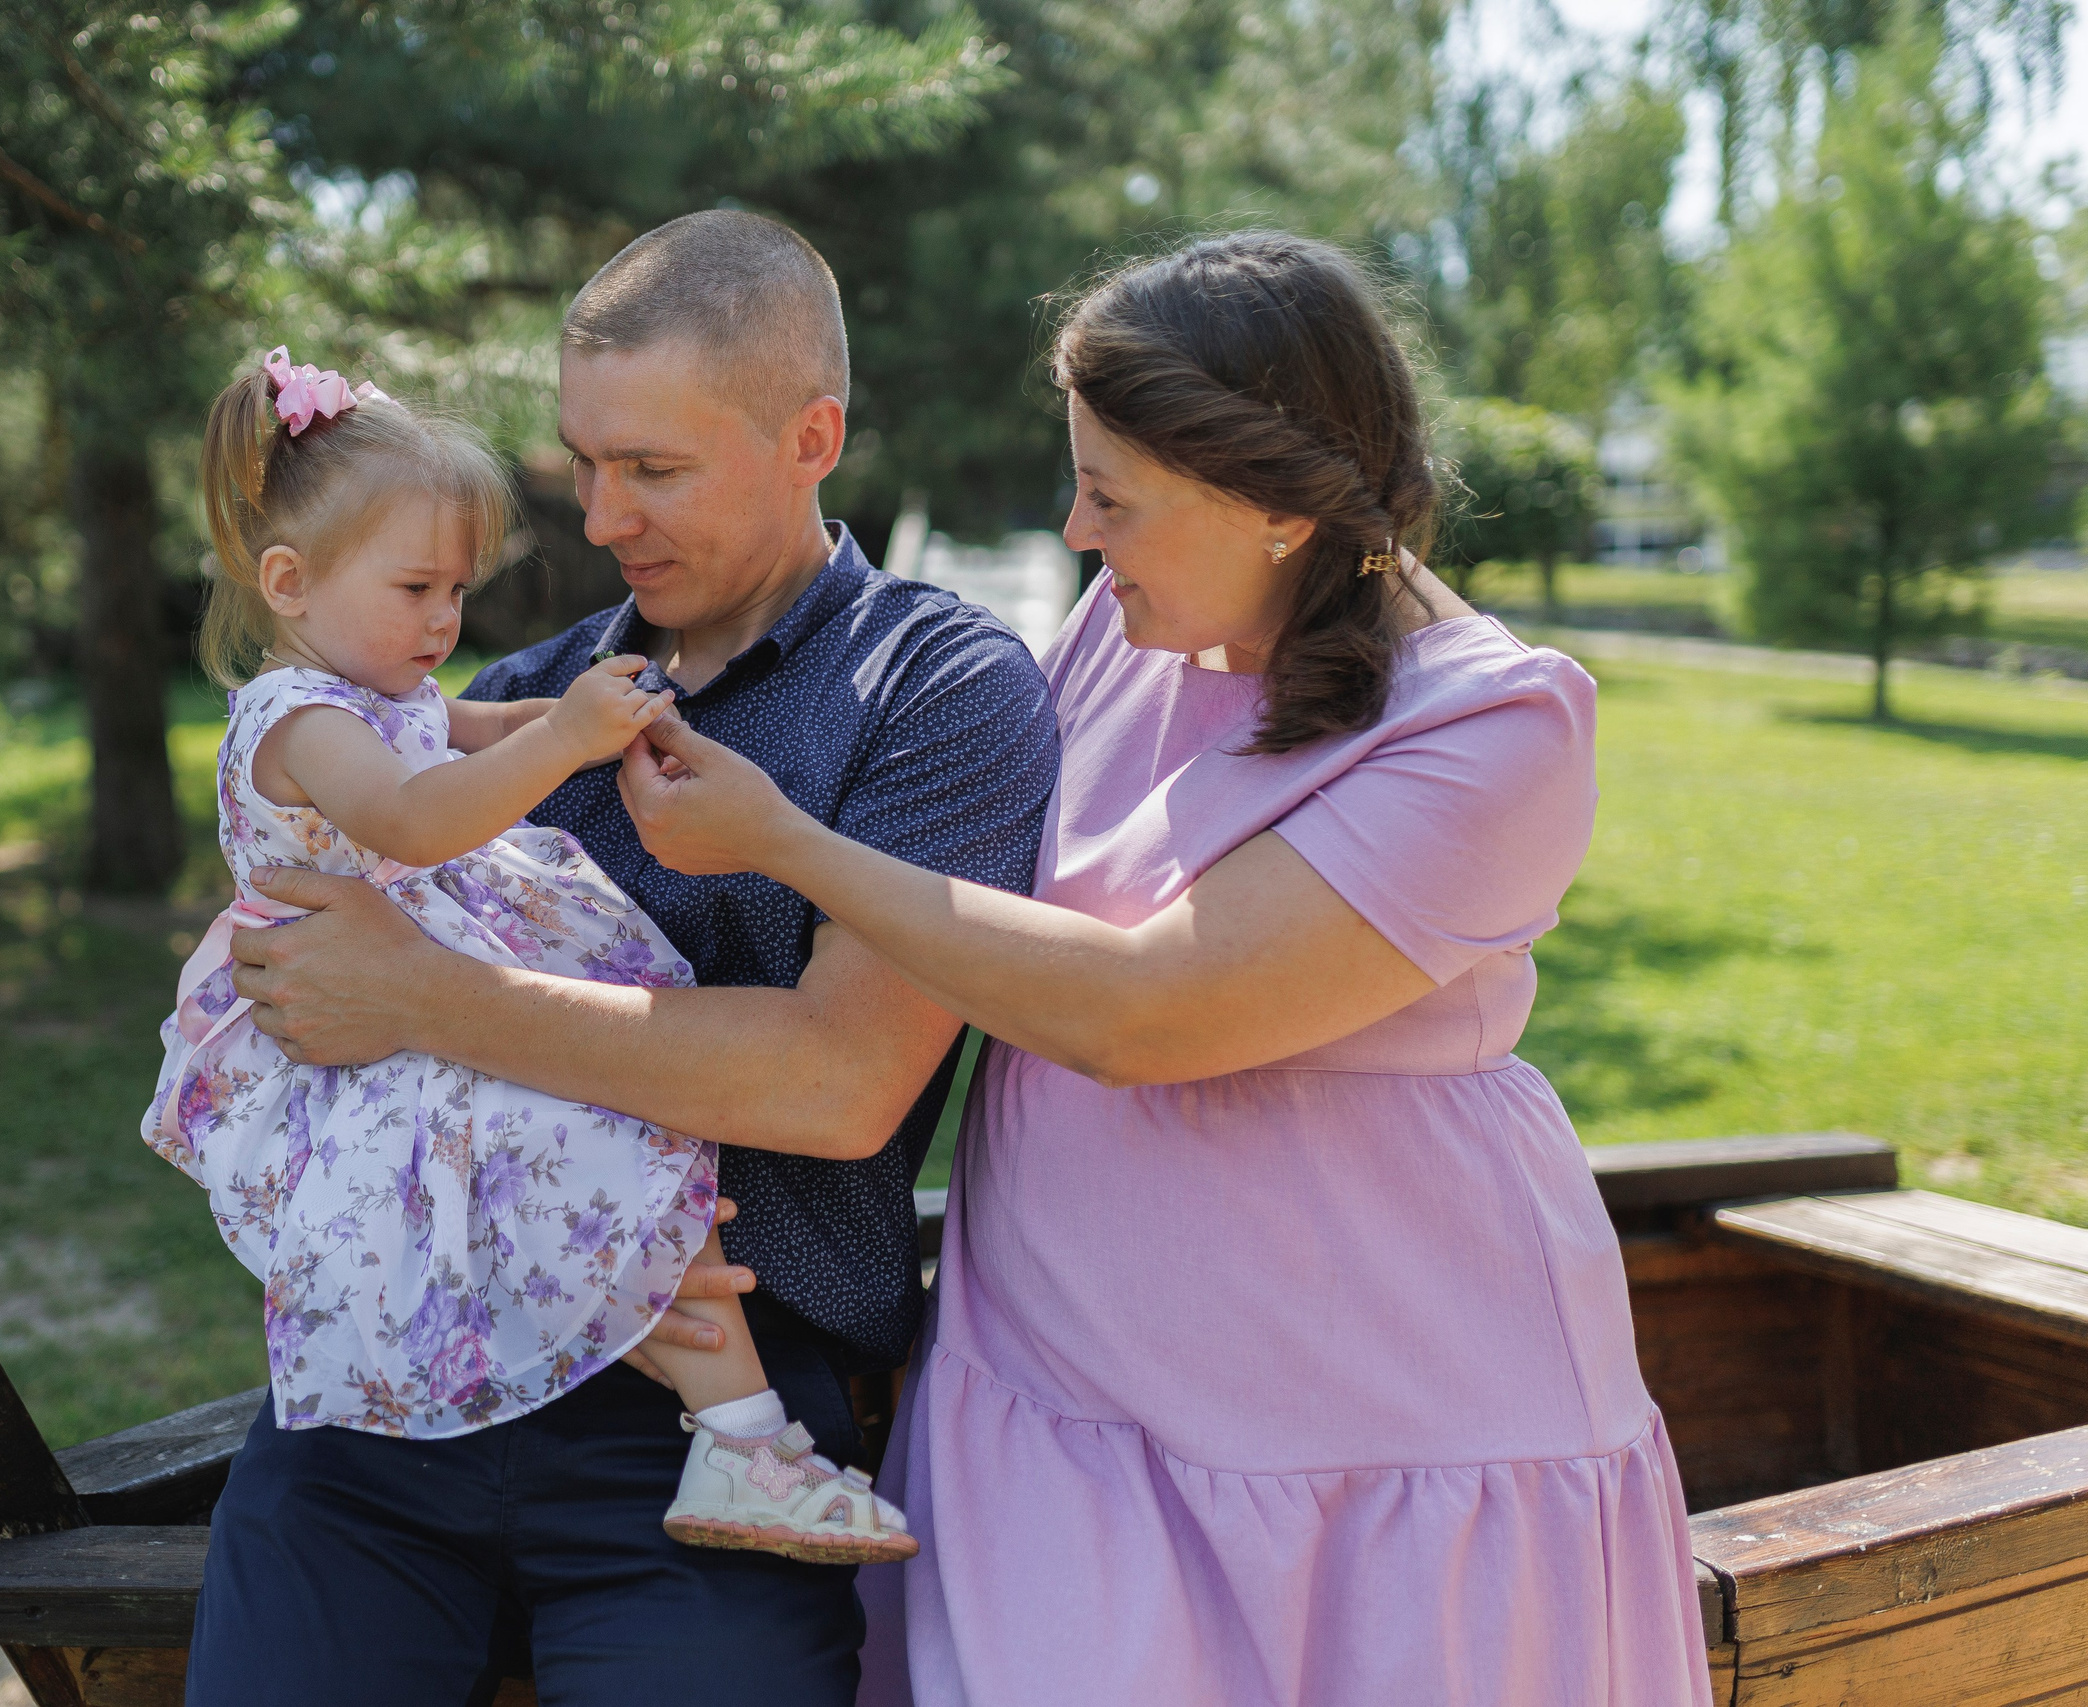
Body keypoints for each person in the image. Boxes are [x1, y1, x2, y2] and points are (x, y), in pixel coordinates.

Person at [614, 231, 1714, 1705]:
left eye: (1112, 496)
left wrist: (791, 839)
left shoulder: (1496, 732)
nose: (1076, 530)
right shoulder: (1141, 629)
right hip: (1063, 1395)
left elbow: (1143, 1010)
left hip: (1379, 1433)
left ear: (1270, 504)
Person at [191, 211, 1062, 1705]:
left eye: (652, 468)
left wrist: (428, 996)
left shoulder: (932, 687)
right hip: (390, 1392)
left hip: (716, 1425)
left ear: (812, 436)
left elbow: (834, 1079)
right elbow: (304, 974)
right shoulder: (542, 695)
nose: (600, 517)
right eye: (586, 462)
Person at [142, 346, 917, 1563]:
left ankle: (737, 1441)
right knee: (594, 1158)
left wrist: (600, 711)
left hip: (431, 980)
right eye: (416, 590)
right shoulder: (295, 719)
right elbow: (416, 817)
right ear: (288, 582)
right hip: (382, 1033)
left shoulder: (381, 685)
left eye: (457, 589)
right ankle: (741, 1437)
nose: (446, 622)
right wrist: (563, 739)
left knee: (628, 1155)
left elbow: (475, 722)